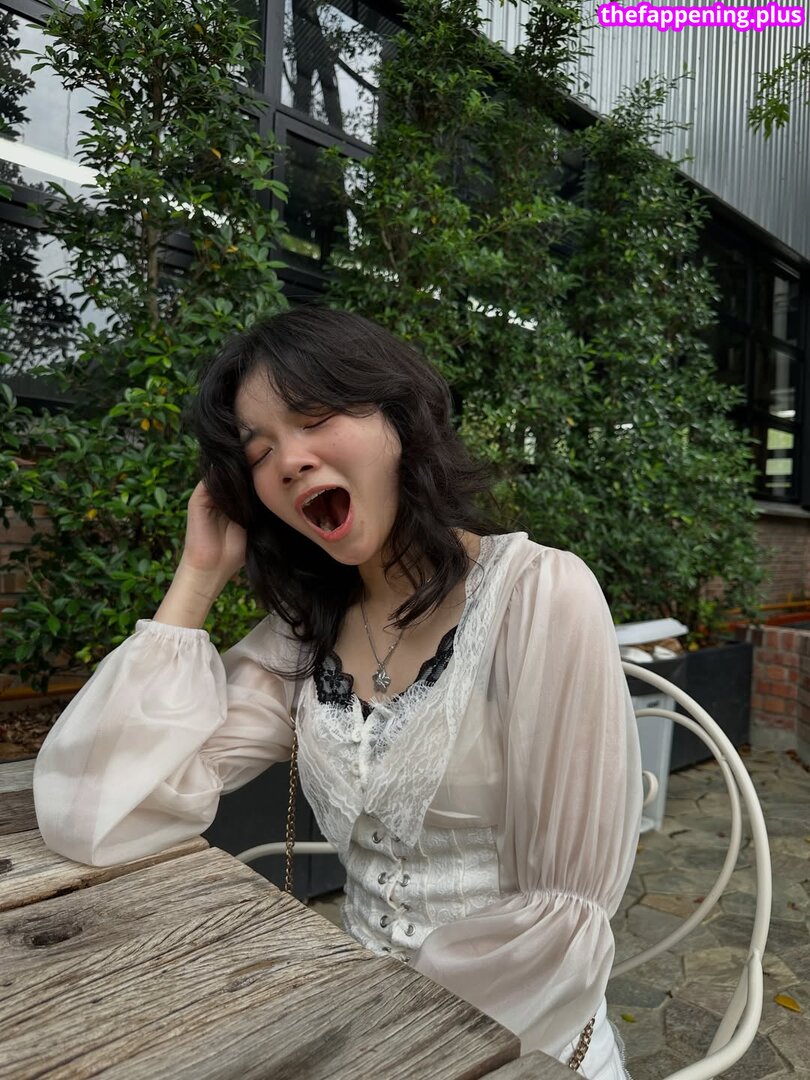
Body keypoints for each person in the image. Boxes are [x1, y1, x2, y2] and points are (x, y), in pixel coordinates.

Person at [34, 306, 642, 1079]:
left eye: (315, 417)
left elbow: (565, 921)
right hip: (357, 1026)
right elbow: (97, 814)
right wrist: (198, 575)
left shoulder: (539, 595)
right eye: (259, 452)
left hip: (515, 1043)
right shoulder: (303, 638)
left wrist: (377, 1042)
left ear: (400, 419)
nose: (289, 461)